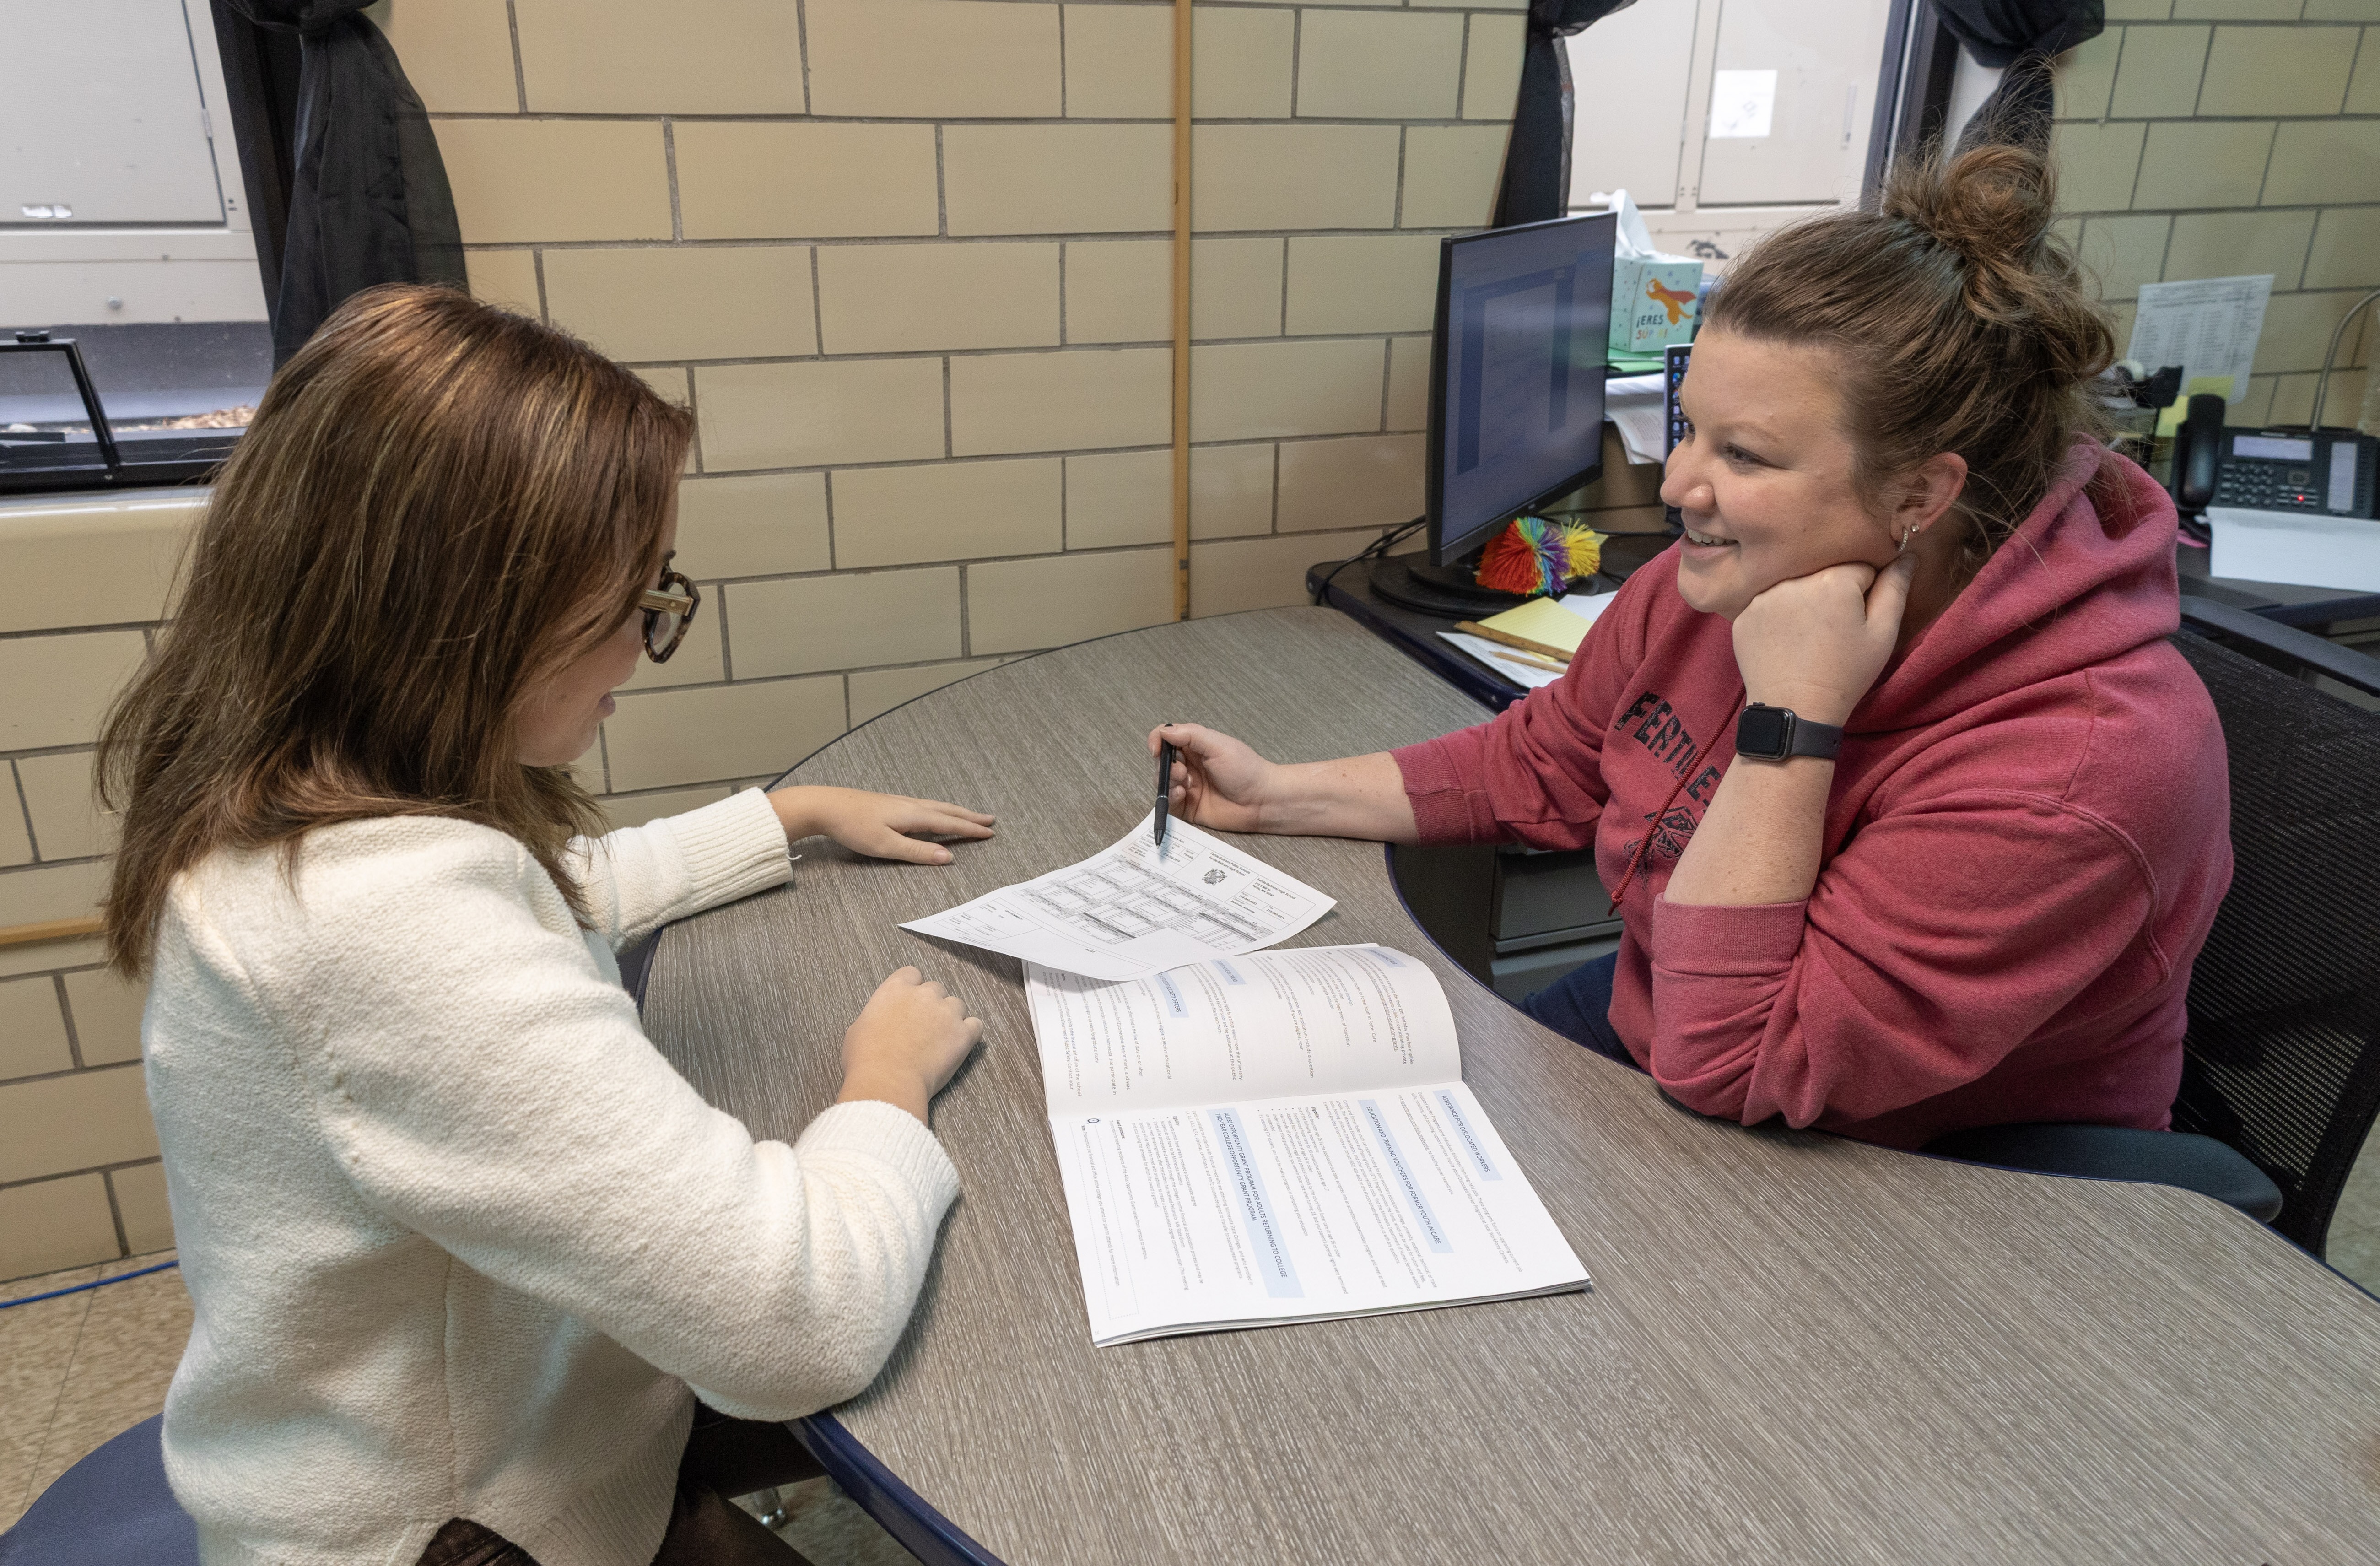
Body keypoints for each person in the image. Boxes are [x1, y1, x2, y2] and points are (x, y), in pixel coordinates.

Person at [98, 286, 996, 1566]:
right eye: (631, 605)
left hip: (510, 1419)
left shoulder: (307, 814)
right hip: (469, 1530)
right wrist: (884, 1086)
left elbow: (553, 895)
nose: (644, 641)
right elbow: (792, 1324)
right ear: (464, 619)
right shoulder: (379, 926)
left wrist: (784, 814)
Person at [1152, 141, 2234, 1152]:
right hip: (1674, 1018)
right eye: (1689, 427)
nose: (1678, 486)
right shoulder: (1725, 580)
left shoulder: (2084, 765)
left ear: (1919, 494)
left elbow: (1736, 1061)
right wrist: (1276, 795)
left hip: (1934, 1167)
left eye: (1745, 456)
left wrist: (1791, 719)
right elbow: (1543, 761)